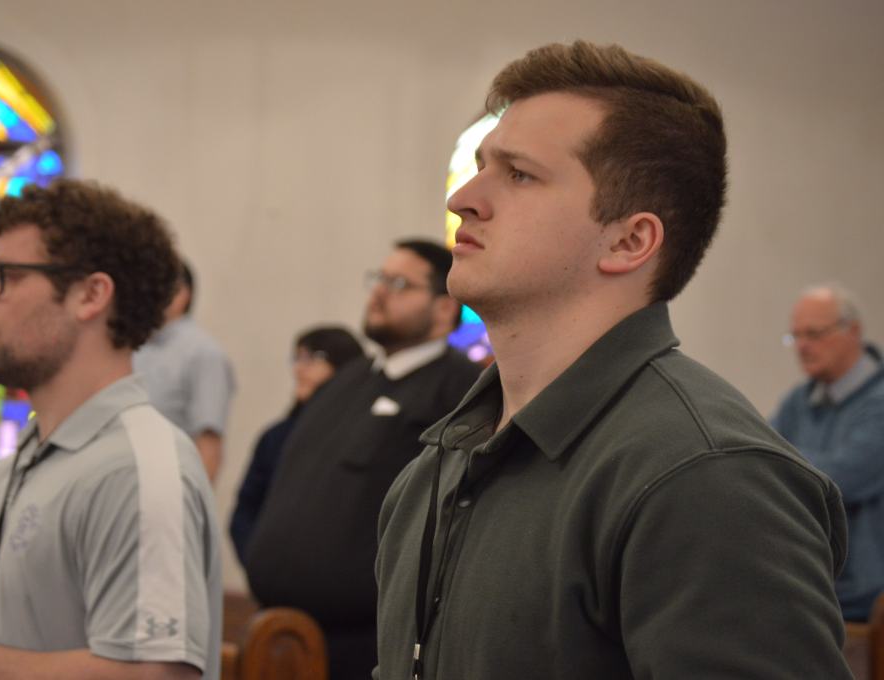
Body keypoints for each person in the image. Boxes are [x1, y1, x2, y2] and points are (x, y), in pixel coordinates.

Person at [374, 41, 851, 679]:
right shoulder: (438, 467)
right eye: (481, 165)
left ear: (629, 241)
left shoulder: (706, 479)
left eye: (519, 174)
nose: (463, 200)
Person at [0, 179, 221, 680]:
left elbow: (154, 675)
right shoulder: (17, 467)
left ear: (90, 295)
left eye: (2, 278)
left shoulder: (138, 468)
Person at [244, 239, 481, 680]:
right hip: (279, 634)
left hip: (362, 647)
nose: (379, 292)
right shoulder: (348, 380)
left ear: (444, 308)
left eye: (399, 284)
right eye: (379, 279)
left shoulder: (458, 390)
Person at [772, 283, 884, 622]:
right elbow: (758, 457)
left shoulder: (878, 403)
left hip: (861, 599)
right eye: (796, 336)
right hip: (807, 586)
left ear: (853, 332)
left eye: (814, 334)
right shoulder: (798, 401)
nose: (802, 346)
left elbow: (839, 479)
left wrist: (782, 461)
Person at [229, 325, 365, 562]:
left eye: (313, 358)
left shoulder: (364, 434)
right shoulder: (276, 436)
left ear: (346, 367)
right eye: (298, 358)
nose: (299, 369)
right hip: (272, 569)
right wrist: (256, 561)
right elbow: (246, 510)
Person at [134, 259, 235, 481]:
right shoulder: (136, 346)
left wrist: (194, 498)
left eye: (153, 286)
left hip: (168, 484)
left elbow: (209, 442)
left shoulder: (203, 353)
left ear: (182, 294)